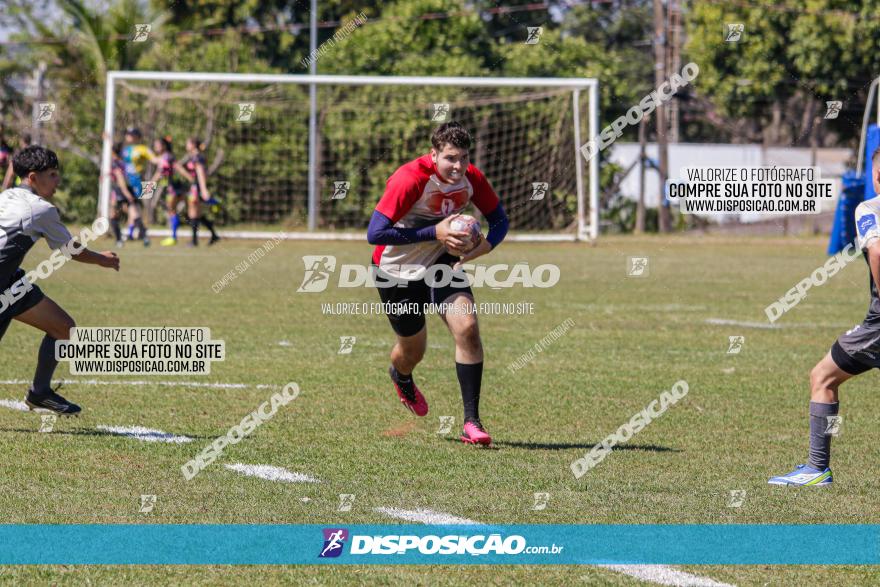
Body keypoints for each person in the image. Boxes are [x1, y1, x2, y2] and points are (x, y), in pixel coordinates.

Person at [366, 121, 509, 446]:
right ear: (434, 155)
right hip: (395, 270)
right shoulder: (410, 178)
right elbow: (374, 233)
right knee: (412, 350)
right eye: (450, 158)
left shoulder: (471, 178)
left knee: (467, 327)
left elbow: (500, 220)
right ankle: (401, 375)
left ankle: (471, 422)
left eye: (463, 157)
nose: (458, 166)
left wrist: (488, 244)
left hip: (442, 263)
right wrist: (435, 232)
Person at [769, 147, 880, 486]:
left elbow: (876, 248)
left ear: (876, 177)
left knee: (823, 377)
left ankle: (817, 469)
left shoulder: (871, 208)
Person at [0, 145, 120, 415]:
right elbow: (70, 250)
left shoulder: (8, 195)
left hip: (10, 284)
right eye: (52, 175)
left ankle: (40, 393)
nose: (58, 181)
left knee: (64, 328)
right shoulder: (40, 209)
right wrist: (104, 259)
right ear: (32, 178)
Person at [150, 136, 190, 246]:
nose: (155, 147)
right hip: (172, 187)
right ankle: (173, 236)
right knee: (172, 210)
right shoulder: (166, 156)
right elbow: (177, 167)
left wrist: (149, 186)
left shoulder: (166, 157)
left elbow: (160, 173)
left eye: (157, 145)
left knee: (172, 210)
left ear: (163, 146)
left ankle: (173, 237)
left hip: (172, 187)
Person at [183, 137, 219, 246]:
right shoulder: (195, 156)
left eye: (188, 143)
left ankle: (194, 241)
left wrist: (203, 189)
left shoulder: (197, 157)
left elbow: (201, 173)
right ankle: (213, 235)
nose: (186, 145)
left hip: (196, 188)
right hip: (195, 186)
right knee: (196, 214)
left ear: (193, 144)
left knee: (193, 213)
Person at [121, 127, 152, 246]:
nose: (128, 136)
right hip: (125, 182)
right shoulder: (124, 149)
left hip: (137, 182)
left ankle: (143, 234)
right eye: (127, 134)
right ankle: (131, 234)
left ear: (137, 137)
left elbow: (154, 159)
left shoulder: (142, 149)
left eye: (131, 134)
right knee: (131, 209)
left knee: (134, 208)